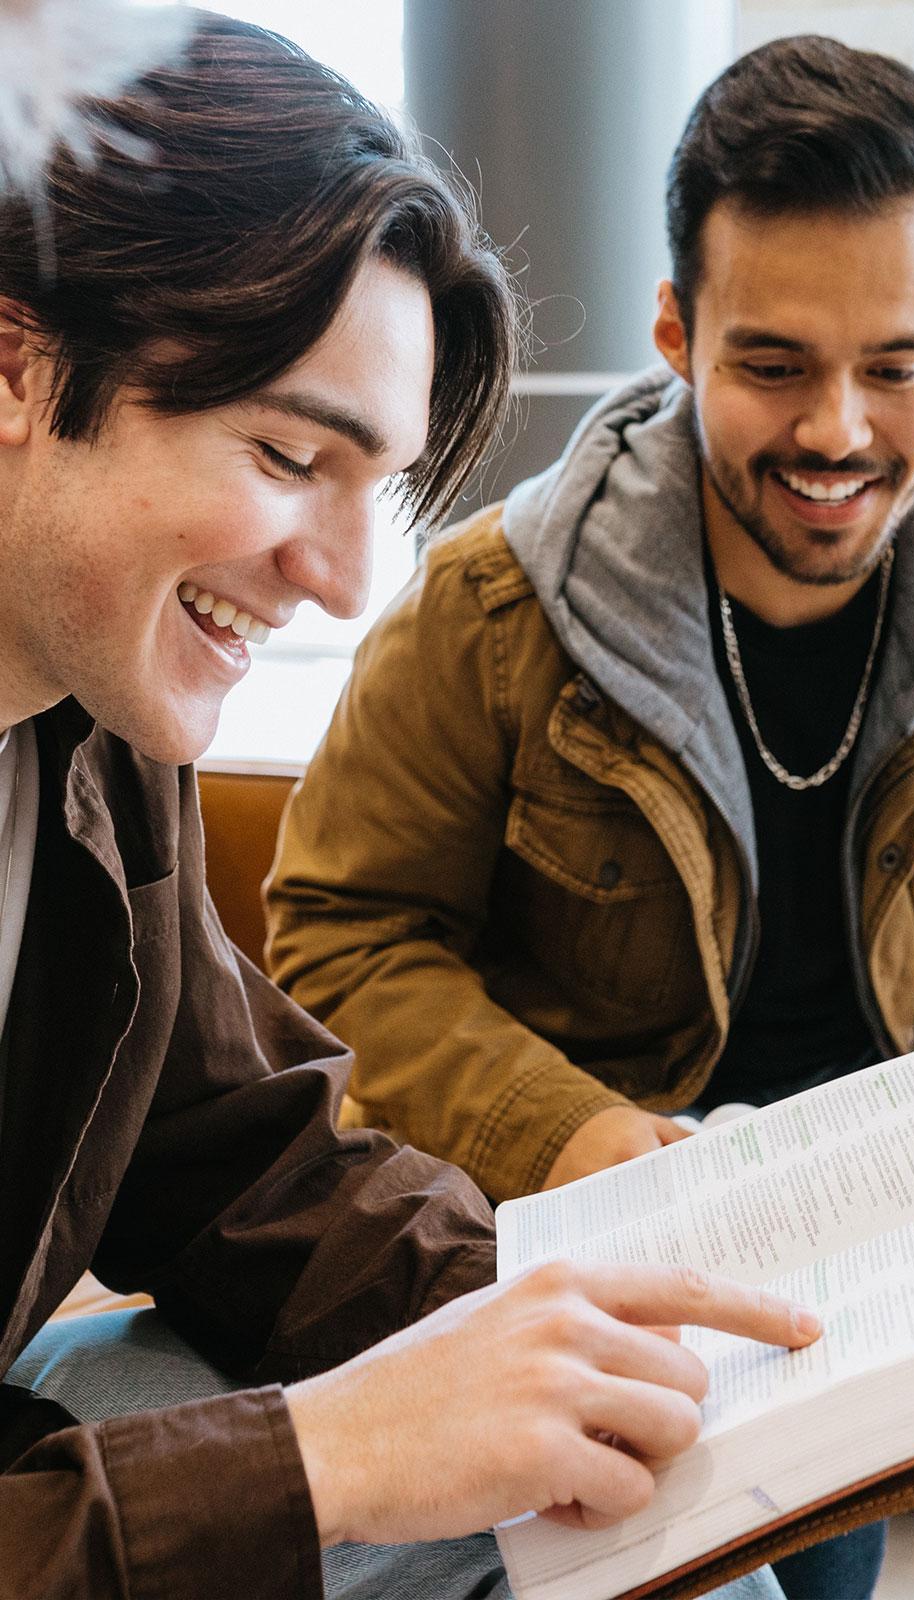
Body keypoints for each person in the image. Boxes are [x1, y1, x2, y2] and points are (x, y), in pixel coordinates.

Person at [266, 33, 914, 1598]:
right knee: (795, 1538)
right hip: (620, 1143)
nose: (839, 430)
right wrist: (598, 1149)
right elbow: (339, 938)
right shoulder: (492, 611)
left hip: (889, 1130)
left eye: (897, 367)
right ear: (675, 335)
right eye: (773, 364)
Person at [0, 14, 817, 1600]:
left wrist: (550, 1313)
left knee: (635, 1488)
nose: (346, 580)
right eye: (288, 453)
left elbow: (243, 1152)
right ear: (19, 368)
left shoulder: (91, 738)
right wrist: (333, 1458)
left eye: (372, 485)